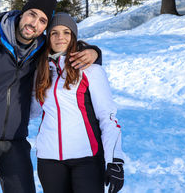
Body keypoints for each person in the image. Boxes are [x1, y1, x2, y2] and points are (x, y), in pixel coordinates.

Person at [0, 0, 102, 193]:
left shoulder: (41, 50)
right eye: (32, 14)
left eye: (43, 21)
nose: (34, 23)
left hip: (16, 141)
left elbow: (67, 48)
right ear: (22, 13)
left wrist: (95, 52)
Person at [31, 12, 125, 193]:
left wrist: (115, 161)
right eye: (54, 33)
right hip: (49, 159)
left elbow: (108, 117)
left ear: (73, 36)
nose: (60, 37)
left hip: (87, 158)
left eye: (66, 32)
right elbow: (31, 109)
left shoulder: (91, 70)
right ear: (48, 37)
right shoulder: (42, 70)